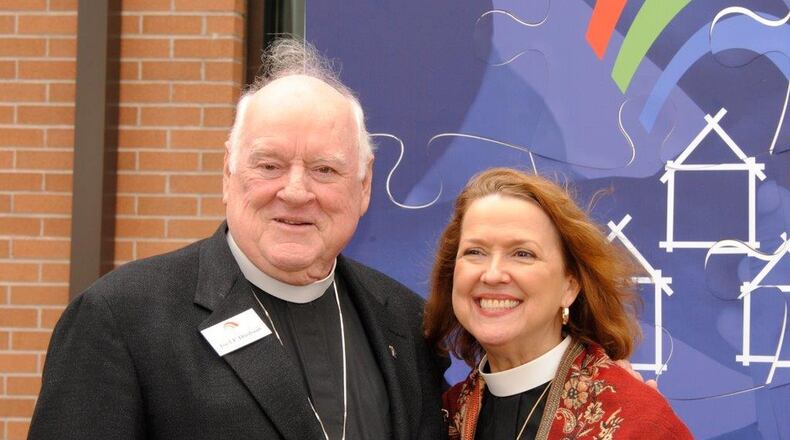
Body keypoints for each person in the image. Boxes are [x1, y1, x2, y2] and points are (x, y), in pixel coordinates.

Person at [28, 39, 448, 440]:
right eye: (269, 166)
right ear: (228, 173)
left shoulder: (406, 325)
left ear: (365, 184)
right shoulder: (121, 318)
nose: (296, 192)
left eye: (325, 170)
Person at [424, 168, 693, 439]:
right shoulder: (440, 417)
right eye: (475, 252)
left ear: (570, 286)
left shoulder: (639, 421)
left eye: (522, 253)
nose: (493, 274)